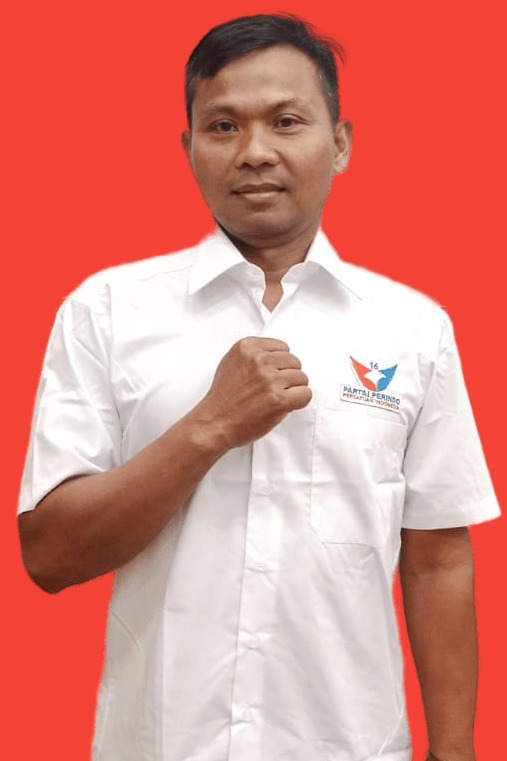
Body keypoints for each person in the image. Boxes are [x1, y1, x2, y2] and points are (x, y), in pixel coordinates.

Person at [18, 13, 499, 761]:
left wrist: (455, 751)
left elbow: (437, 556)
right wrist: (208, 427)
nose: (255, 152)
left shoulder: (412, 328)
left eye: (286, 121)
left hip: (350, 746)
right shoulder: (105, 312)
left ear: (339, 143)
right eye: (223, 126)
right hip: (162, 744)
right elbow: (49, 554)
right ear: (189, 149)